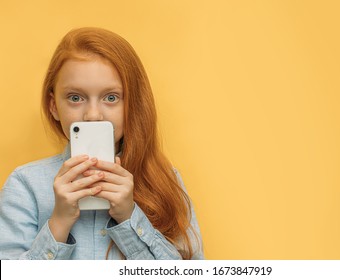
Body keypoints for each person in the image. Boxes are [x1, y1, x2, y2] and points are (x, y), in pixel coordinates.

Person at [0, 27, 203, 260]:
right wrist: (59, 223)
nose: (93, 115)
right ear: (53, 106)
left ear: (132, 104)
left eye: (111, 97)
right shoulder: (25, 185)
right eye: (75, 98)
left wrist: (129, 217)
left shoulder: (165, 180)